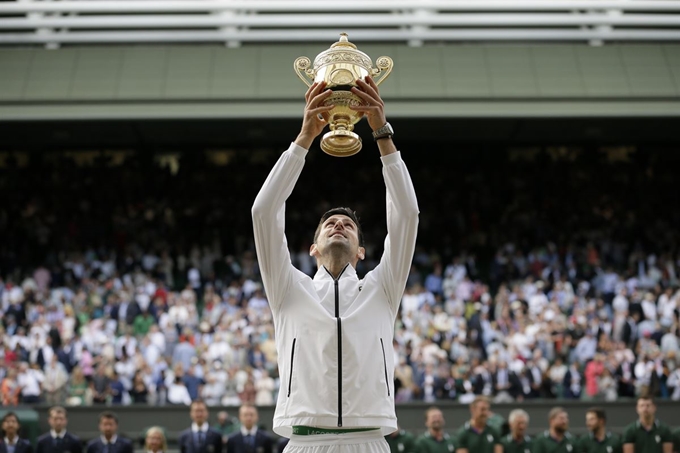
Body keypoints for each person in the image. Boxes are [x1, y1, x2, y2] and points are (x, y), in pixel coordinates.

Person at [251, 74, 419, 453]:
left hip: (370, 440)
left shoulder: (383, 287)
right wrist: (305, 137)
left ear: (362, 252)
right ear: (313, 248)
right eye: (330, 224)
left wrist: (382, 132)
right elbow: (263, 212)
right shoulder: (288, 288)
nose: (339, 225)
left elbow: (407, 214)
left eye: (348, 225)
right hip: (304, 441)